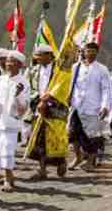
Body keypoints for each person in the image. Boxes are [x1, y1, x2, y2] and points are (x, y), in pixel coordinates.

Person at [0, 50, 30, 192]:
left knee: (7, 150)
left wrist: (17, 95)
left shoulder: (23, 82)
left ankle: (8, 180)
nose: (8, 64)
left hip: (11, 122)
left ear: (20, 65)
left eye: (12, 61)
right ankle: (6, 175)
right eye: (7, 61)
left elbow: (24, 105)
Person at [25, 44, 69, 180]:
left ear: (49, 56)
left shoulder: (59, 71)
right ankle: (42, 169)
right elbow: (30, 89)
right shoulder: (33, 71)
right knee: (39, 139)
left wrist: (49, 100)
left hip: (55, 109)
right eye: (36, 55)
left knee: (55, 138)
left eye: (40, 55)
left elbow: (62, 89)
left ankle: (61, 161)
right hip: (38, 108)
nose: (37, 58)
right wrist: (38, 101)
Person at [68, 42, 112, 171]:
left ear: (97, 53)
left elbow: (106, 89)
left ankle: (91, 161)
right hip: (76, 106)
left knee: (92, 136)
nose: (90, 53)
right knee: (73, 134)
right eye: (88, 51)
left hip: (93, 107)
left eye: (93, 51)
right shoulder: (75, 67)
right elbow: (71, 85)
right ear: (83, 52)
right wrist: (68, 97)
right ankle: (78, 157)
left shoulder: (102, 69)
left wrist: (105, 106)